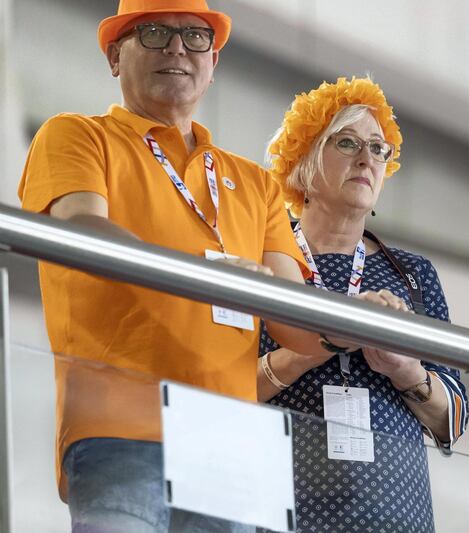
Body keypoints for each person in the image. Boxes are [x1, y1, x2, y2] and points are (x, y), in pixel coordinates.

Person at [17, 1, 337, 531]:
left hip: (233, 444)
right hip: (121, 424)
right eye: (155, 33)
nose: (176, 48)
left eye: (195, 37)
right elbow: (80, 230)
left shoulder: (256, 184)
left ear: (213, 65)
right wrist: (212, 276)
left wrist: (353, 324)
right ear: (115, 57)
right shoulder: (77, 135)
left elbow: (299, 329)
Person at [259, 76, 469, 532]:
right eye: (348, 142)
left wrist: (406, 369)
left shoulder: (412, 274)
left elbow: (454, 420)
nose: (366, 159)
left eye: (379, 149)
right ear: (303, 160)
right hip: (286, 507)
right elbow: (226, 384)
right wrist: (319, 344)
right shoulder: (269, 258)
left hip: (396, 513)